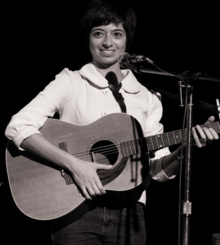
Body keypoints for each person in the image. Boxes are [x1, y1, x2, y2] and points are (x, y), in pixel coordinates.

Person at [5, 0, 219, 244]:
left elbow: (156, 171)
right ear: (88, 39)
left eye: (117, 34)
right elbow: (18, 126)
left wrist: (184, 149)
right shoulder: (71, 82)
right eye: (99, 34)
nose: (108, 43)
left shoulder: (147, 98)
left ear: (127, 41)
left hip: (130, 215)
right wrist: (75, 165)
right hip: (76, 210)